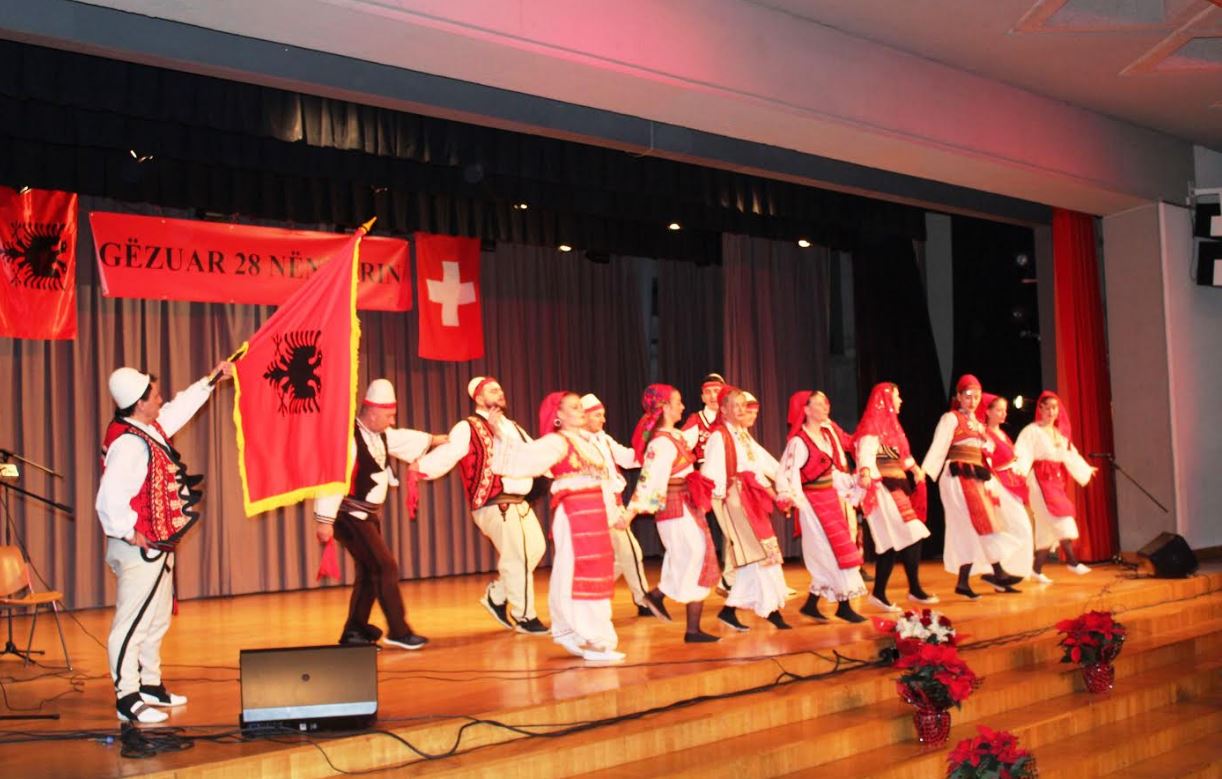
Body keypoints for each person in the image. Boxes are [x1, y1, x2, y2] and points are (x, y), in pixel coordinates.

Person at [97, 361, 233, 723]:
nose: (160, 399)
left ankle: (149, 684)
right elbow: (108, 500)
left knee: (156, 619)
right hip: (138, 547)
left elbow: (177, 409)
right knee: (131, 623)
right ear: (139, 403)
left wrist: (211, 380)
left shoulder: (147, 428)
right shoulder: (129, 443)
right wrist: (130, 531)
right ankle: (127, 697)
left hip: (157, 544)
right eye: (155, 395)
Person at [489, 392, 625, 661]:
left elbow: (603, 483)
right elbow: (523, 458)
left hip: (595, 515)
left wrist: (613, 514)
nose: (581, 410)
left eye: (580, 406)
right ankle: (587, 637)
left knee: (596, 573)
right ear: (559, 415)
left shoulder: (589, 442)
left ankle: (594, 636)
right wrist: (499, 435)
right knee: (574, 573)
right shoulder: (557, 442)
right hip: (574, 515)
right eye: (574, 407)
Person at [313, 380, 444, 651]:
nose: (392, 421)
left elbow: (405, 438)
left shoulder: (380, 434)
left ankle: (355, 630)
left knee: (370, 571)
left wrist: (437, 440)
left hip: (366, 516)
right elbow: (332, 478)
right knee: (385, 567)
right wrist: (324, 520)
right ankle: (399, 630)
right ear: (371, 413)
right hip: (348, 515)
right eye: (388, 416)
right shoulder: (347, 439)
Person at [415, 377, 548, 634]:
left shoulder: (512, 427)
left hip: (519, 502)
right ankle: (524, 616)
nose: (500, 392)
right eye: (492, 390)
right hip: (495, 503)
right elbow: (449, 453)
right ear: (478, 397)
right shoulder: (468, 427)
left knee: (535, 549)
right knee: (517, 557)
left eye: (500, 388)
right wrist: (420, 468)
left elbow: (534, 454)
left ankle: (497, 596)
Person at [621, 385, 720, 642]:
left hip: (687, 503)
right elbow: (649, 479)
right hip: (675, 506)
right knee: (694, 554)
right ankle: (659, 596)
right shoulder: (661, 443)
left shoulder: (675, 435)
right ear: (664, 407)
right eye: (678, 402)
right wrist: (631, 512)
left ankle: (690, 626)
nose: (683, 407)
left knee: (696, 555)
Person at [921, 375, 1022, 600]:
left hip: (974, 476)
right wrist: (925, 472)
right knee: (977, 521)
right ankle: (997, 572)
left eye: (976, 397)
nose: (972, 401)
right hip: (957, 475)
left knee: (973, 525)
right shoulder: (951, 418)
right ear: (958, 397)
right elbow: (939, 446)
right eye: (968, 396)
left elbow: (988, 450)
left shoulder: (978, 424)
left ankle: (966, 581)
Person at [701, 386, 791, 631]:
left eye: (743, 404)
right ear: (723, 410)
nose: (741, 409)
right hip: (735, 499)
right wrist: (722, 501)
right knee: (758, 553)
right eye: (736, 405)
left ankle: (734, 610)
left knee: (761, 554)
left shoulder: (742, 435)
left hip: (750, 498)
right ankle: (770, 611)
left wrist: (781, 490)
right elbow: (711, 474)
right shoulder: (719, 436)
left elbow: (762, 465)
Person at [776, 391, 867, 623]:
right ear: (806, 410)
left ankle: (811, 605)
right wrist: (790, 498)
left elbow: (831, 472)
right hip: (812, 505)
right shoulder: (799, 441)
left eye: (826, 403)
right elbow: (785, 472)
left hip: (830, 500)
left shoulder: (826, 436)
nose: (825, 407)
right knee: (827, 552)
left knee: (836, 549)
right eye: (818, 404)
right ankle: (844, 606)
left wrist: (853, 481)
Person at [853, 382, 937, 612]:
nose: (900, 401)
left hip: (894, 487)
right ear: (886, 400)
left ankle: (882, 593)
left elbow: (901, 455)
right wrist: (866, 473)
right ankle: (911, 589)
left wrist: (915, 469)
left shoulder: (891, 428)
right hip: (881, 489)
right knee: (912, 532)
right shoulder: (872, 426)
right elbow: (865, 453)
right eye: (897, 397)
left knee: (891, 542)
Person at [581, 393, 652, 617]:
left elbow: (629, 458)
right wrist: (613, 513)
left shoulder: (604, 439)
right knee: (630, 551)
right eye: (598, 415)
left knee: (623, 557)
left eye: (603, 415)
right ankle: (643, 600)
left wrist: (649, 446)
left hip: (612, 504)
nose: (603, 419)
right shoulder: (579, 443)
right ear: (584, 416)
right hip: (599, 507)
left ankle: (590, 594)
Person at [1015, 391, 1097, 582]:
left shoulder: (1059, 435)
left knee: (1047, 528)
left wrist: (1086, 468)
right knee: (1062, 516)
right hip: (1040, 481)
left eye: (1054, 408)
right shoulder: (1032, 431)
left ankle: (1036, 570)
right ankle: (1072, 561)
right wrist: (1018, 471)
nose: (1051, 412)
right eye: (1047, 408)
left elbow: (1070, 455)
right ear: (1040, 409)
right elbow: (1021, 452)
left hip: (1055, 482)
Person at [977, 393, 1035, 580]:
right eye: (999, 410)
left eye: (1005, 410)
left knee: (1016, 528)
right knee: (1018, 527)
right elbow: (985, 461)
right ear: (988, 412)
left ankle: (1005, 572)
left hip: (1011, 483)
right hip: (999, 485)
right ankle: (1002, 569)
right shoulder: (985, 434)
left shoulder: (1002, 434)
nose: (1004, 414)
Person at [683, 372, 731, 592]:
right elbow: (682, 445)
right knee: (702, 532)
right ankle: (703, 577)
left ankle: (729, 578)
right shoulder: (697, 420)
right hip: (708, 483)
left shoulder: (729, 419)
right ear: (702, 396)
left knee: (732, 532)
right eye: (708, 392)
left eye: (717, 391)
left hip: (731, 480)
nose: (713, 396)